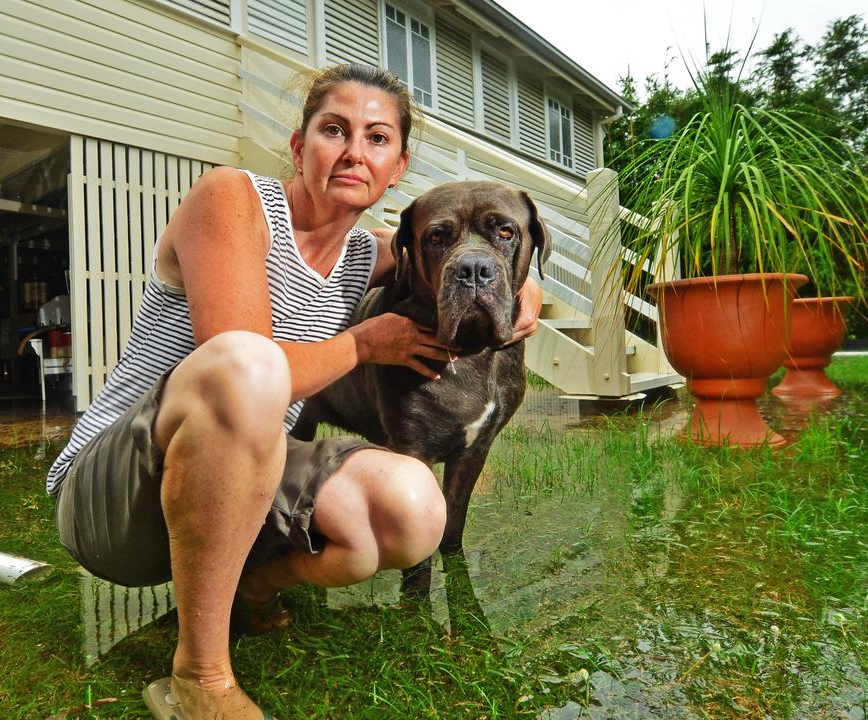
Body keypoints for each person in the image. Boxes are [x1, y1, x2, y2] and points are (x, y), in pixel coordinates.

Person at [46, 64, 542, 720]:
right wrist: (366, 344)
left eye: (376, 137)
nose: (352, 151)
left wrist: (523, 287)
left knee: (414, 508)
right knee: (247, 366)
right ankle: (199, 676)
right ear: (298, 145)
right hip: (112, 499)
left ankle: (254, 583)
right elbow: (245, 364)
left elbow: (467, 259)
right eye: (333, 130)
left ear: (398, 167)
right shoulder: (232, 200)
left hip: (238, 496)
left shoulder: (370, 256)